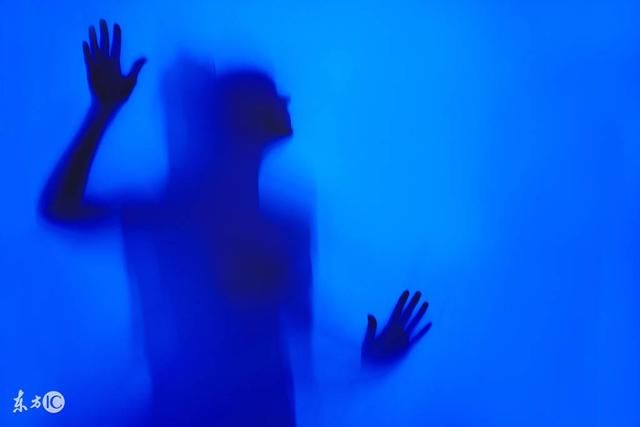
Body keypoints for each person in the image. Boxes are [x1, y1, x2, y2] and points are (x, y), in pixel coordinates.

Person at [39, 19, 431, 426]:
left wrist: (367, 360)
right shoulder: (175, 210)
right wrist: (101, 112)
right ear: (236, 116)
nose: (285, 98)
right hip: (187, 411)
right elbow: (60, 209)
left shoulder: (287, 224)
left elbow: (296, 339)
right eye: (268, 92)